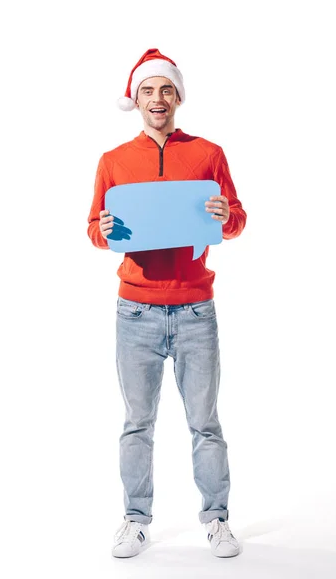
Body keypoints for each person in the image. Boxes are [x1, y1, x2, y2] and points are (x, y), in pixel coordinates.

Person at [87, 48, 247, 559]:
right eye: (148, 90)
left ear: (178, 96)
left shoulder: (208, 153)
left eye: (166, 89)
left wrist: (226, 214)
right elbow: (95, 227)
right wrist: (103, 229)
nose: (158, 99)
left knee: (205, 421)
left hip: (197, 309)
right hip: (135, 312)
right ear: (135, 100)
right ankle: (136, 519)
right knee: (138, 421)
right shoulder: (113, 161)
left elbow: (236, 218)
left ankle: (217, 518)